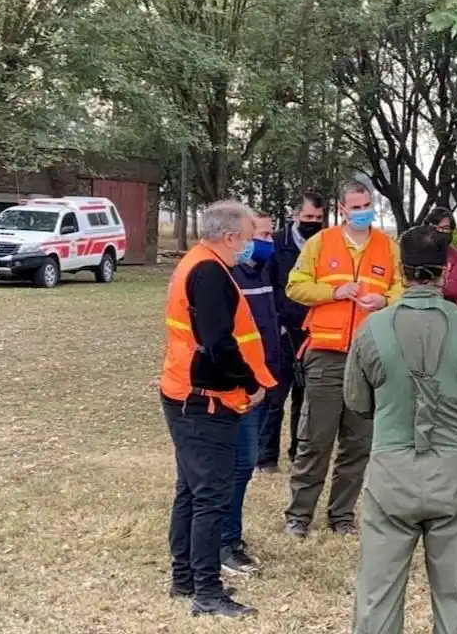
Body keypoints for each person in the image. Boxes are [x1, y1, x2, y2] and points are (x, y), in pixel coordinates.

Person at [344, 225, 457, 634]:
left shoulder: (372, 328)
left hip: (391, 469)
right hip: (452, 470)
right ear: (445, 271)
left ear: (401, 269)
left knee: (378, 591)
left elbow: (357, 403)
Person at [159, 200, 277, 617]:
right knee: (210, 495)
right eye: (250, 236)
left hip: (188, 393)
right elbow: (219, 343)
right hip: (204, 401)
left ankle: (184, 578)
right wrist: (249, 383)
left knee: (191, 490)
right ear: (230, 237)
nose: (255, 244)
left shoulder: (200, 262)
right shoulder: (209, 271)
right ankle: (207, 592)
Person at [284, 180, 404, 538]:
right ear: (342, 208)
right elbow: (295, 285)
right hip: (326, 354)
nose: (363, 211)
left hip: (370, 356)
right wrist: (334, 292)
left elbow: (401, 287)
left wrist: (385, 301)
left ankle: (342, 516)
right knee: (315, 440)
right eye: (355, 206)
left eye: (367, 204)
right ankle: (299, 515)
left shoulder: (387, 246)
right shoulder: (322, 243)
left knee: (358, 442)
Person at [219, 211, 280, 575]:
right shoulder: (226, 276)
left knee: (244, 463)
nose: (268, 243)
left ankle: (229, 536)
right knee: (236, 465)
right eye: (260, 236)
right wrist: (249, 382)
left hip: (260, 382)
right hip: (237, 386)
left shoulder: (263, 271)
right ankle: (223, 542)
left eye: (272, 235)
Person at [258, 190, 326, 473]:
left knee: (304, 398)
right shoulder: (276, 245)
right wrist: (279, 326)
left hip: (314, 334)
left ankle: (299, 452)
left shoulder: (326, 245)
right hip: (282, 333)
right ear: (295, 216)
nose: (313, 222)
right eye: (308, 216)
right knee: (275, 398)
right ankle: (265, 457)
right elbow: (268, 288)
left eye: (318, 218)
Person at [423, 206, 457, 305]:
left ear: (451, 231)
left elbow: (455, 290)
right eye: (436, 227)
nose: (440, 231)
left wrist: (424, 285)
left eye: (445, 228)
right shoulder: (416, 252)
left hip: (447, 311)